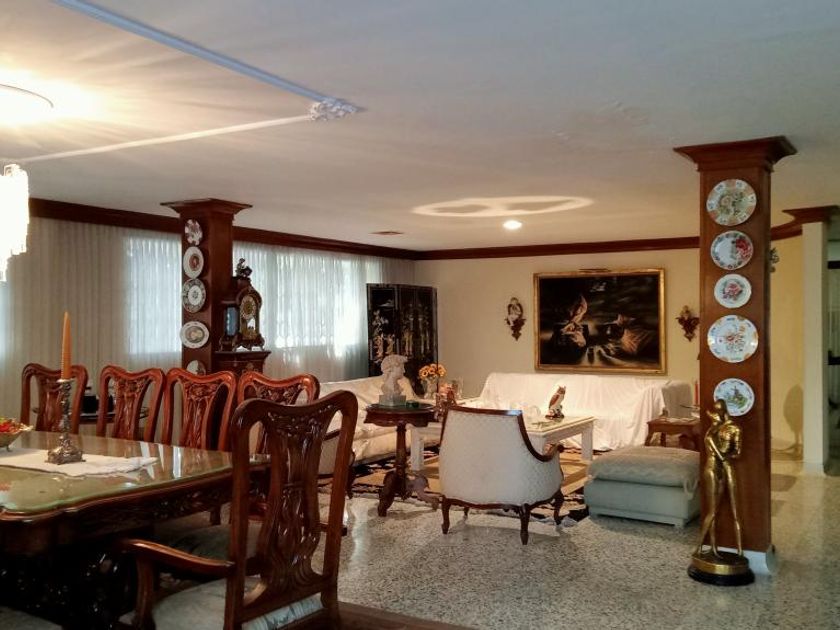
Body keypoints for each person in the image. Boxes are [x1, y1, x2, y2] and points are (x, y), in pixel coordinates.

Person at [695, 399, 744, 557]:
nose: (717, 414)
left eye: (719, 411)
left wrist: (726, 455)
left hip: (726, 467)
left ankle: (739, 551)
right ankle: (703, 547)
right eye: (715, 412)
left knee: (734, 509)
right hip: (712, 468)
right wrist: (722, 455)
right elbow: (714, 449)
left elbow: (737, 452)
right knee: (713, 511)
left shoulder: (733, 428)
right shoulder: (711, 433)